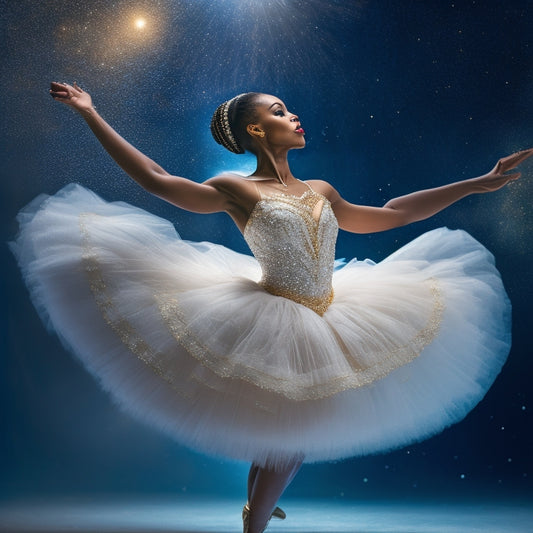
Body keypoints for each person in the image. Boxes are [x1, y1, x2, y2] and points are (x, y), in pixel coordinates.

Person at [11, 81, 532, 533]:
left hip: (333, 312)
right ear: (256, 131)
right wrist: (90, 112)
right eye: (279, 111)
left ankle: (253, 516)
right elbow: (156, 179)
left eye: (289, 109)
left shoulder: (320, 189)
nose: (293, 116)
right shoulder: (235, 187)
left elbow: (393, 214)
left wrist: (480, 183)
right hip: (275, 314)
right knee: (292, 432)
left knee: (285, 430)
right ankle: (255, 522)